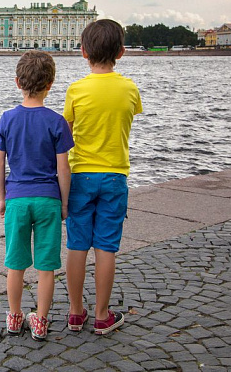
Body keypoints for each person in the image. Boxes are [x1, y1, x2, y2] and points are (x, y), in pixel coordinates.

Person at [62, 19, 143, 335]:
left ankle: (75, 312)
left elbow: (66, 134)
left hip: (80, 175)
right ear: (121, 52)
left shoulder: (75, 90)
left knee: (77, 246)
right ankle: (102, 315)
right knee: (106, 247)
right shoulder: (129, 89)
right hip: (114, 176)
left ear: (83, 52)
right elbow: (128, 117)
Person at [0, 50, 73, 341]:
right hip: (48, 199)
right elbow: (64, 168)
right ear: (50, 84)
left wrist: (2, 198)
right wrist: (64, 202)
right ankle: (40, 320)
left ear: (17, 82)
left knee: (15, 263)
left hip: (17, 198)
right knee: (46, 266)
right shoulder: (56, 122)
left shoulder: (7, 119)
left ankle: (14, 318)